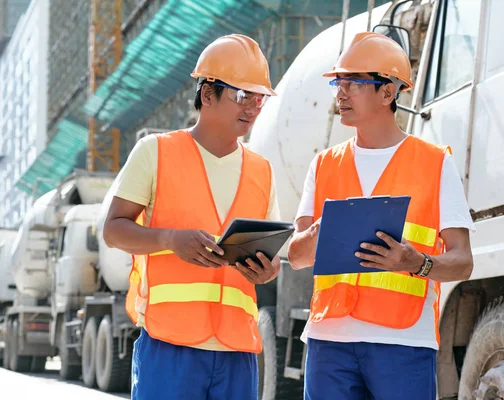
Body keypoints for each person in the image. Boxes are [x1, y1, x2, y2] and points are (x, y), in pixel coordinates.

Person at [287, 32, 475, 400]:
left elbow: (463, 261)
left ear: (388, 92)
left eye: (352, 83)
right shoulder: (323, 165)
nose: (340, 94)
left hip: (404, 342)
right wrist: (317, 234)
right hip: (329, 344)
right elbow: (295, 256)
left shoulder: (435, 163)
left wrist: (416, 262)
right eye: (338, 83)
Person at [104, 34, 281, 400]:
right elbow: (113, 230)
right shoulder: (155, 152)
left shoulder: (262, 170)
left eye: (258, 98)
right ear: (207, 93)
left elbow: (272, 257)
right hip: (170, 345)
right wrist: (169, 240)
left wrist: (270, 269)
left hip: (237, 349)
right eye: (240, 95)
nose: (251, 107)